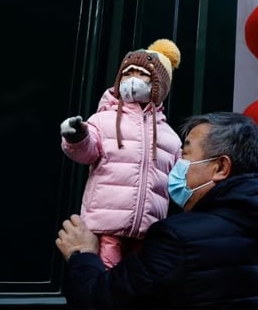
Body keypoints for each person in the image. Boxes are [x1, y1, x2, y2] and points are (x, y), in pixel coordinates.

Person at [56, 112, 258, 309]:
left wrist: (82, 255)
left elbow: (101, 300)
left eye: (185, 154)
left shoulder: (179, 238)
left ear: (220, 167)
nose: (176, 166)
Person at [59, 39, 183, 269]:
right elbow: (87, 151)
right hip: (105, 226)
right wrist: (76, 137)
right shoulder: (102, 120)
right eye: (128, 73)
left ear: (159, 85)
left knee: (137, 284)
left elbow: (180, 182)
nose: (133, 79)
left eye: (142, 74)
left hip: (148, 229)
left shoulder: (170, 136)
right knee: (105, 278)